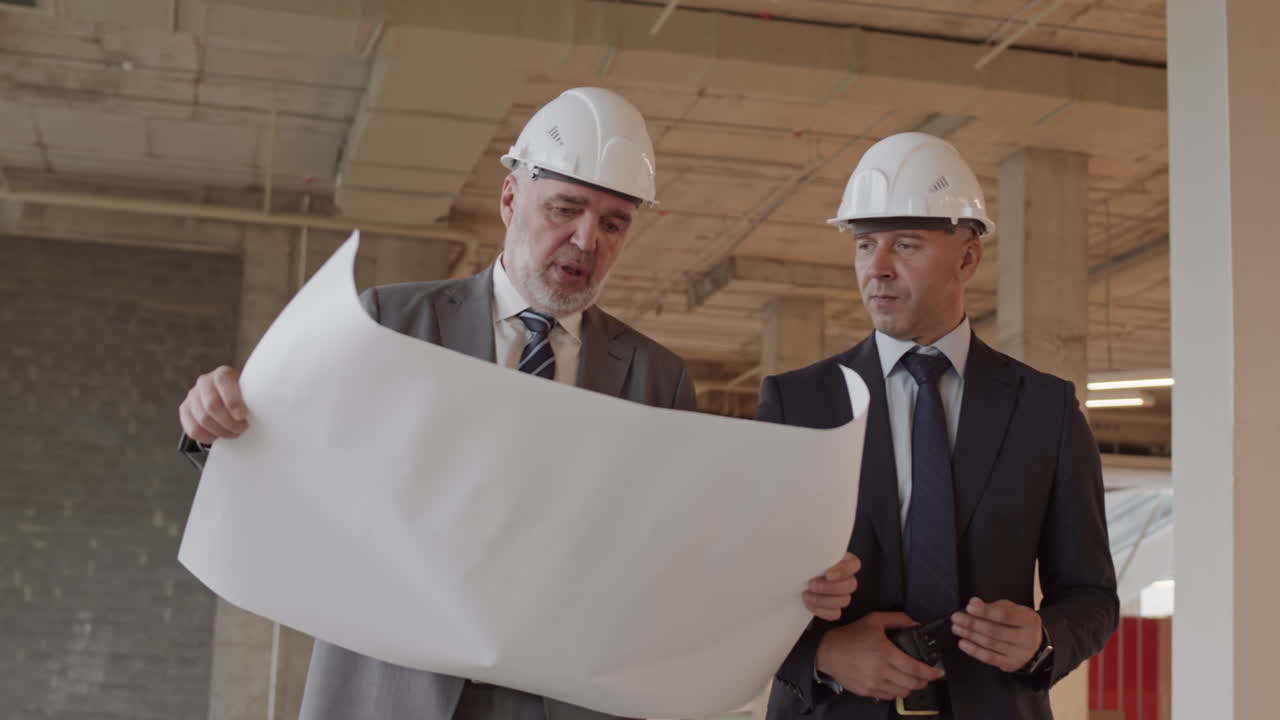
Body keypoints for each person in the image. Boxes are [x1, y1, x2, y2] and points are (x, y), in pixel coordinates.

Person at [177, 87, 860, 720]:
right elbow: (297, 477)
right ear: (511, 197)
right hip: (391, 694)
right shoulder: (389, 325)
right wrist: (220, 428)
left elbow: (675, 559)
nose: (587, 240)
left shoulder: (656, 377)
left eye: (614, 223)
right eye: (565, 209)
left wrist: (785, 585)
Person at [760, 132, 1117, 720]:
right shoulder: (796, 404)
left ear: (968, 258)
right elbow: (742, 588)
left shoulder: (1045, 410)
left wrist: (1043, 638)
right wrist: (823, 653)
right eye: (865, 245)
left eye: (905, 245)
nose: (877, 269)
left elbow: (1091, 595)